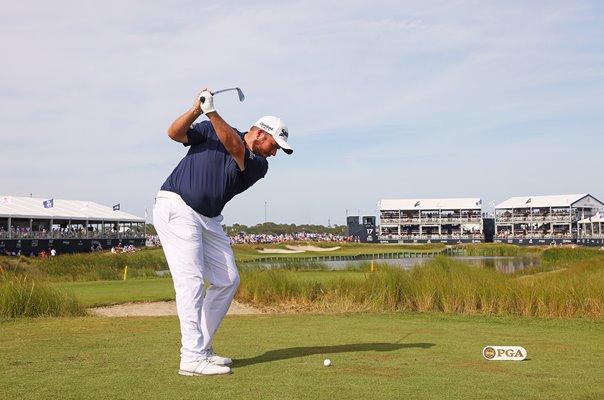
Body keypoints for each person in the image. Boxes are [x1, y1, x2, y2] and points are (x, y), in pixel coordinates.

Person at [153, 88, 293, 376]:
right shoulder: (209, 129)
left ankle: (202, 348)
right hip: (177, 207)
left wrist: (212, 111)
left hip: (209, 219)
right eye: (274, 145)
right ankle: (191, 357)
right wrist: (196, 110)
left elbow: (235, 148)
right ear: (260, 134)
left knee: (228, 279)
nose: (275, 152)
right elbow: (174, 133)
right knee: (191, 282)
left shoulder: (258, 164)